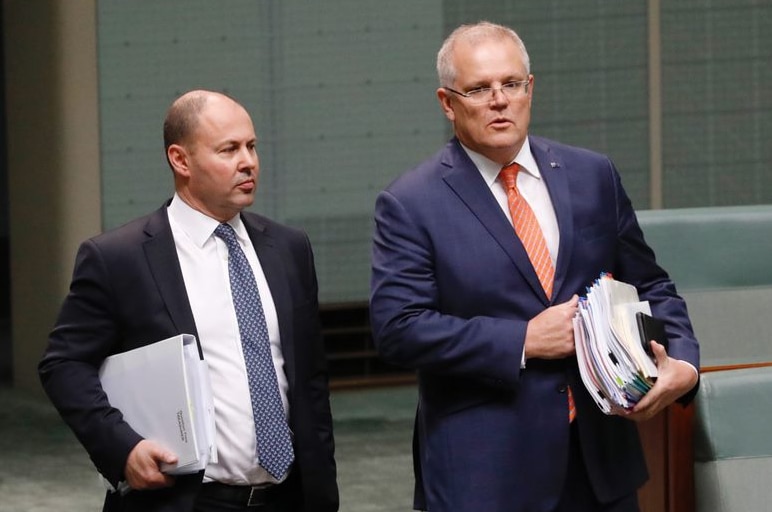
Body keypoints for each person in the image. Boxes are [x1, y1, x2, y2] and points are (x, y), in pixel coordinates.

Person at [369, 22, 699, 512]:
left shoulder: (592, 175)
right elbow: (399, 328)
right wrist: (522, 340)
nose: (499, 100)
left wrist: (686, 364)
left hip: (600, 466)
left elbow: (650, 282)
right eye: (479, 88)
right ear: (447, 102)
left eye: (512, 84)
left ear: (531, 88)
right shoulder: (410, 202)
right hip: (486, 475)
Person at [39, 90, 339, 512]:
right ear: (181, 160)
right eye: (229, 149)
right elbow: (64, 364)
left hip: (288, 497)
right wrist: (123, 448)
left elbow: (310, 381)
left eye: (251, 146)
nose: (248, 162)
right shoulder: (118, 258)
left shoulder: (288, 248)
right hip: (187, 500)